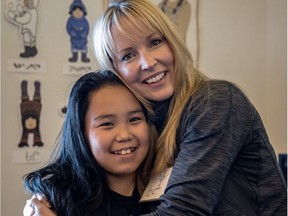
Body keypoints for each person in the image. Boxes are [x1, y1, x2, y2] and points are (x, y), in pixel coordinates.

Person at [25, 0, 287, 215]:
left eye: (154, 42)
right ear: (114, 72)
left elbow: (182, 212)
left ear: (172, 42)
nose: (148, 63)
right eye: (128, 55)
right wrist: (47, 199)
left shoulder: (215, 102)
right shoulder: (150, 123)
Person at [23, 70, 157, 216]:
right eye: (107, 124)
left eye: (134, 119)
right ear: (81, 133)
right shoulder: (55, 203)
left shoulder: (173, 189)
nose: (124, 135)